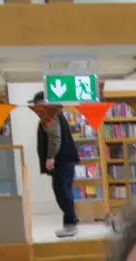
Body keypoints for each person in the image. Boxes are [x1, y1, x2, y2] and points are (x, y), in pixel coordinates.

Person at [32, 92, 80, 238]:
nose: (35, 108)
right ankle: (70, 223)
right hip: (65, 161)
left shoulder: (50, 115)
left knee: (62, 193)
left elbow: (55, 137)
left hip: (61, 161)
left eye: (37, 104)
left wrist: (51, 157)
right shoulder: (55, 114)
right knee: (64, 192)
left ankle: (70, 225)